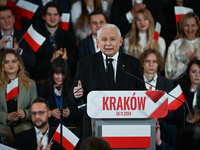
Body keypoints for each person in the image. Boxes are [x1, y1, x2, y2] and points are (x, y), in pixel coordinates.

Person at [70, 24, 146, 141]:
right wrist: (76, 93)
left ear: (120, 41)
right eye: (104, 40)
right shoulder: (85, 64)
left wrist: (148, 96)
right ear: (98, 42)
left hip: (125, 124)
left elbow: (141, 94)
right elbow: (73, 92)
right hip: (94, 124)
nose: (108, 44)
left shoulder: (133, 64)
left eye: (112, 39)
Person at [32, 2, 77, 82]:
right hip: (43, 80)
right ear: (43, 16)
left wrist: (66, 59)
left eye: (55, 14)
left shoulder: (70, 36)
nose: (52, 17)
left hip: (65, 79)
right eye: (49, 14)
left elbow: (75, 62)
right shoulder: (35, 36)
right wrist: (51, 60)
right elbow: (33, 64)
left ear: (60, 17)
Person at [0, 49, 37, 146]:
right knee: (5, 135)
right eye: (7, 62)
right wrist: (6, 116)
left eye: (14, 61)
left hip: (23, 123)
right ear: (2, 65)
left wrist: (25, 113)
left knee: (25, 132)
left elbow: (35, 108)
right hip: (2, 124)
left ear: (19, 63)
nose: (10, 65)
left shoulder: (31, 84)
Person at [37, 57, 82, 128]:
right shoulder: (42, 87)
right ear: (52, 73)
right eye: (57, 74)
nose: (60, 77)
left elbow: (80, 111)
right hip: (48, 127)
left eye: (63, 74)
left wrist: (70, 114)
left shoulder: (73, 87)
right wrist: (50, 113)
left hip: (69, 127)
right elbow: (37, 111)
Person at [0, 6, 36, 76]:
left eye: (9, 17)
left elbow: (32, 62)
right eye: (3, 18)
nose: (7, 21)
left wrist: (20, 51)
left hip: (21, 78)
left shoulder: (25, 35)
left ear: (14, 19)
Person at [165, 12, 200, 81]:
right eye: (187, 25)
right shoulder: (175, 44)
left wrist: (196, 61)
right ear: (182, 27)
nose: (190, 28)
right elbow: (169, 73)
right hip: (181, 85)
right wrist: (187, 65)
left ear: (197, 27)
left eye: (193, 25)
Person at [174, 60, 200, 129]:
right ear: (188, 73)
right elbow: (176, 116)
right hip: (185, 131)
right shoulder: (181, 91)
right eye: (193, 72)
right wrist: (186, 118)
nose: (197, 75)